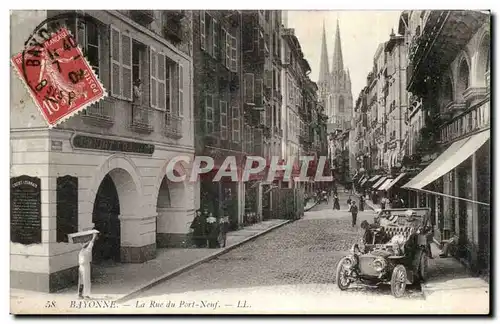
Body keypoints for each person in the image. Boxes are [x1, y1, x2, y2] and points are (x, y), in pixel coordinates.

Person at [78, 232, 98, 299]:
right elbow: (91, 243)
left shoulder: (85, 250)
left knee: (83, 281)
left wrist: (93, 238)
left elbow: (91, 244)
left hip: (83, 266)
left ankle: (82, 294)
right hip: (84, 267)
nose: (83, 244)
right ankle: (84, 295)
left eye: (84, 243)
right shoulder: (85, 250)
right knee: (85, 281)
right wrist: (93, 237)